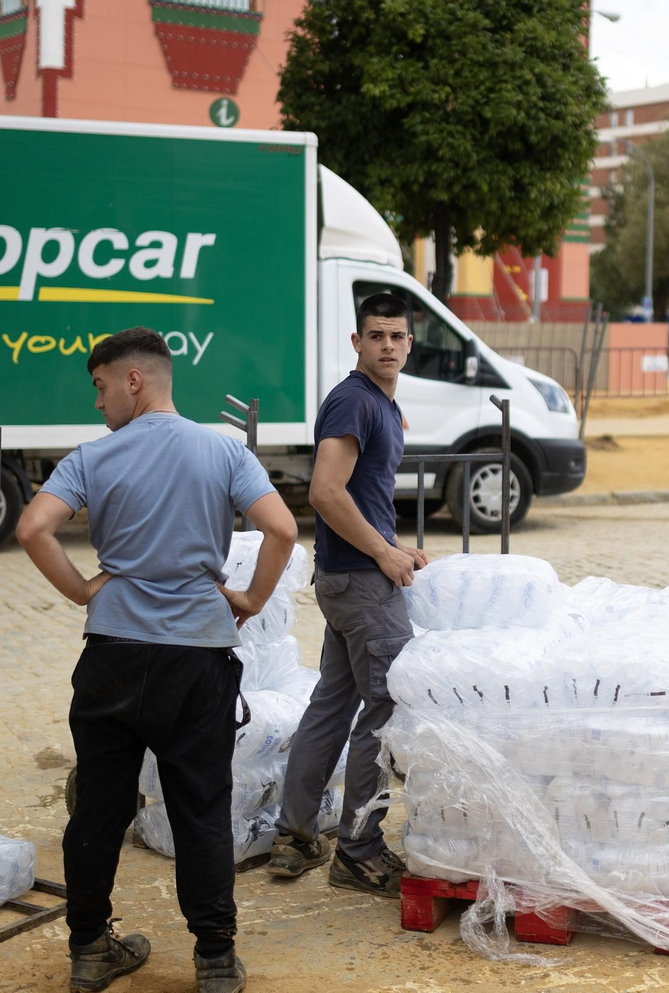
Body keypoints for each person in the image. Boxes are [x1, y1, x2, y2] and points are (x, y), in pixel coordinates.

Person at [17, 327, 296, 993]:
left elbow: (33, 529)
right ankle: (216, 960)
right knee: (200, 807)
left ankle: (89, 950)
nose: (98, 402)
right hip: (197, 660)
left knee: (98, 811)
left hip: (112, 655)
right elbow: (282, 529)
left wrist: (84, 588)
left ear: (133, 379)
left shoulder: (93, 456)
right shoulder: (224, 451)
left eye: (101, 385)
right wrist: (252, 598)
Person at [268, 293, 427, 894]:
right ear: (356, 343)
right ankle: (358, 850)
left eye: (397, 336)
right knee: (386, 710)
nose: (387, 345)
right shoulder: (354, 401)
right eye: (376, 335)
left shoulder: (380, 403)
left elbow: (362, 495)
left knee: (333, 704)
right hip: (361, 583)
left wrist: (396, 542)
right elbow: (326, 493)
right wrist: (382, 553)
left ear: (410, 343)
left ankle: (294, 835)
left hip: (350, 576)